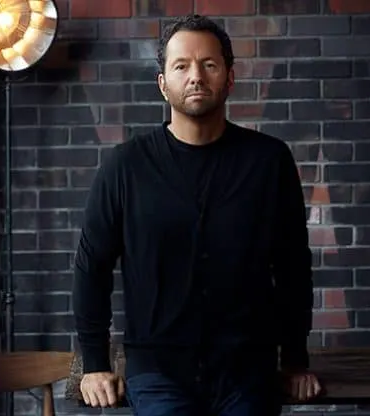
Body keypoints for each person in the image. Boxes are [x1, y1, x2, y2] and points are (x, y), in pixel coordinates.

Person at [72, 14, 322, 415]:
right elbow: (91, 267)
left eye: (209, 64)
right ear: (162, 84)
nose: (196, 76)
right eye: (181, 66)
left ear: (229, 77)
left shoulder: (268, 161)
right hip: (157, 371)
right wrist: (94, 365)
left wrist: (294, 360)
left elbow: (293, 268)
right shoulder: (125, 166)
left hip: (247, 371)